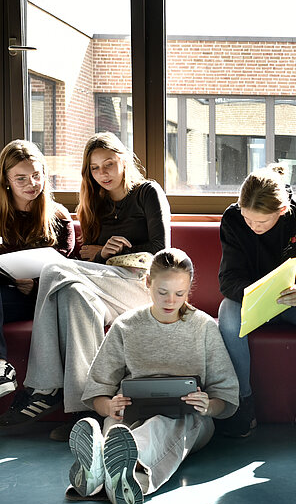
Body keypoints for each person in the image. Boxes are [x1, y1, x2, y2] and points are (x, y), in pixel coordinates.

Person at [0, 132, 170, 435]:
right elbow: (90, 260)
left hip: (142, 286)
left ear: (124, 161)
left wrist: (118, 252)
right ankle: (85, 412)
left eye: (109, 164)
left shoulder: (147, 192)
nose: (102, 173)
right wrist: (104, 253)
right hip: (104, 289)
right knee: (74, 296)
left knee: (55, 269)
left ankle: (43, 388)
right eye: (94, 168)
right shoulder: (95, 202)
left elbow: (160, 252)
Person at [67, 248, 239, 504]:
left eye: (180, 294)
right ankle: (120, 479)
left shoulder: (204, 327)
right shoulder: (125, 326)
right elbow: (98, 389)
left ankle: (100, 467)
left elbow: (226, 396)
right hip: (130, 416)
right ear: (147, 282)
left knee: (167, 422)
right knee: (119, 426)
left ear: (189, 289)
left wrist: (208, 405)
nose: (171, 301)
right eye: (162, 292)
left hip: (190, 420)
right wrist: (108, 407)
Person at [217, 164, 296, 439]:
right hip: (252, 302)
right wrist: (254, 294)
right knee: (227, 312)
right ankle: (243, 403)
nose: (253, 227)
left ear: (282, 211)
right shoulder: (233, 219)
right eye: (248, 220)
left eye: (261, 222)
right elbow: (228, 278)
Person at [0, 140, 75, 397]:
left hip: (41, 299)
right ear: (7, 181)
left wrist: (34, 286)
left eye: (36, 175)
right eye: (20, 179)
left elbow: (66, 270)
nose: (31, 184)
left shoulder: (59, 217)